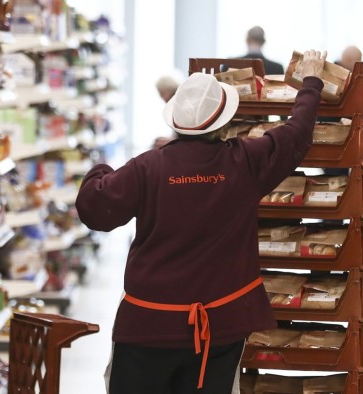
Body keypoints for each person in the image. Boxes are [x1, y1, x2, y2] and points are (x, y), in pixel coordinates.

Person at [76, 50, 326, 394]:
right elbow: (296, 134)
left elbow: (94, 210)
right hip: (220, 324)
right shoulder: (244, 162)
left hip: (149, 324)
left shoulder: (147, 167)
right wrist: (310, 84)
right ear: (224, 121)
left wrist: (101, 170)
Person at [153, 73, 184, 149]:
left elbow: (185, 136)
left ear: (169, 89)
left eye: (162, 93)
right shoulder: (174, 105)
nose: (161, 97)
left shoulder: (181, 104)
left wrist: (169, 141)